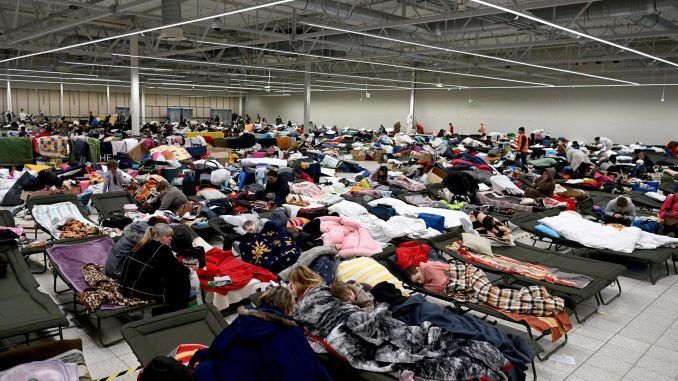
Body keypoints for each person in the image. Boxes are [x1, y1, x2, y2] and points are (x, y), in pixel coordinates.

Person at [192, 286, 331, 381]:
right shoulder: (290, 332)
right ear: (289, 307)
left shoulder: (243, 319)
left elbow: (217, 346)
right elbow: (302, 370)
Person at [119, 223, 190, 314]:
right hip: (137, 290)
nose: (170, 238)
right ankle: (176, 313)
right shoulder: (162, 249)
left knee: (173, 277)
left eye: (171, 236)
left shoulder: (143, 244)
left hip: (126, 286)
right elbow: (180, 271)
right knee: (183, 281)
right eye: (167, 236)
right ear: (156, 236)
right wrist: (188, 269)